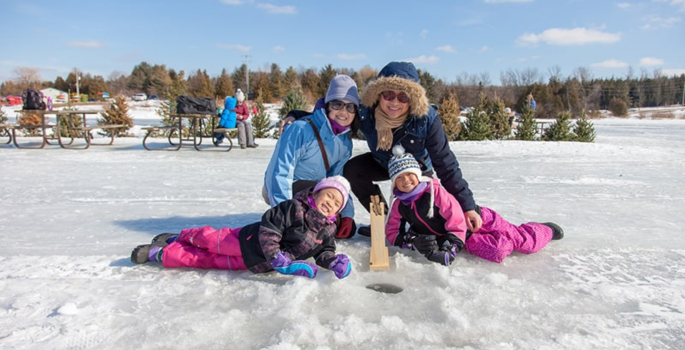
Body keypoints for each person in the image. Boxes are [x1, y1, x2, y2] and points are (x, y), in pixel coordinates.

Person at [130, 176, 353, 280]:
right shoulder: (294, 207)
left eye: (336, 203)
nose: (330, 203)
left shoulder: (327, 231)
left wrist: (333, 261)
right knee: (208, 239)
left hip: (254, 263)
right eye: (329, 195)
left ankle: (159, 254)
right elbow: (270, 229)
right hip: (244, 241)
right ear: (316, 192)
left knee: (203, 260)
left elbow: (324, 251)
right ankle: (179, 238)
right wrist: (277, 257)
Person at [384, 148, 564, 265]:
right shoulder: (399, 205)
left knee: (524, 242)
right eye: (399, 178)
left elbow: (455, 219)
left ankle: (544, 230)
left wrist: (451, 248)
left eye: (409, 175)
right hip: (467, 237)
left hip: (477, 219)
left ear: (418, 175)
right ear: (394, 184)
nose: (405, 180)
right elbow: (392, 232)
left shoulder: (434, 192)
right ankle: (502, 238)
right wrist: (413, 241)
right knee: (498, 252)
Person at [264, 75, 360, 239]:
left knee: (341, 229)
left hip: (316, 193)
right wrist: (284, 215)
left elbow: (337, 180)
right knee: (304, 227)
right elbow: (280, 172)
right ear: (328, 105)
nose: (343, 112)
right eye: (338, 104)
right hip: (288, 187)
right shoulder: (300, 129)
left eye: (350, 107)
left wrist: (347, 214)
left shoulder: (345, 142)